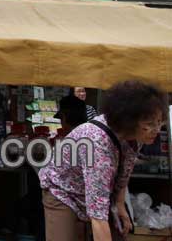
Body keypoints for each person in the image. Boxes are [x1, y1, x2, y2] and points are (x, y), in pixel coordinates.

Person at [39, 80, 166, 241]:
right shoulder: (97, 143)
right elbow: (98, 217)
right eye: (149, 124)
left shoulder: (137, 135)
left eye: (159, 122)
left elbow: (125, 170)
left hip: (95, 191)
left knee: (119, 234)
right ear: (128, 121)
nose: (156, 130)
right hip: (63, 191)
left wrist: (120, 204)